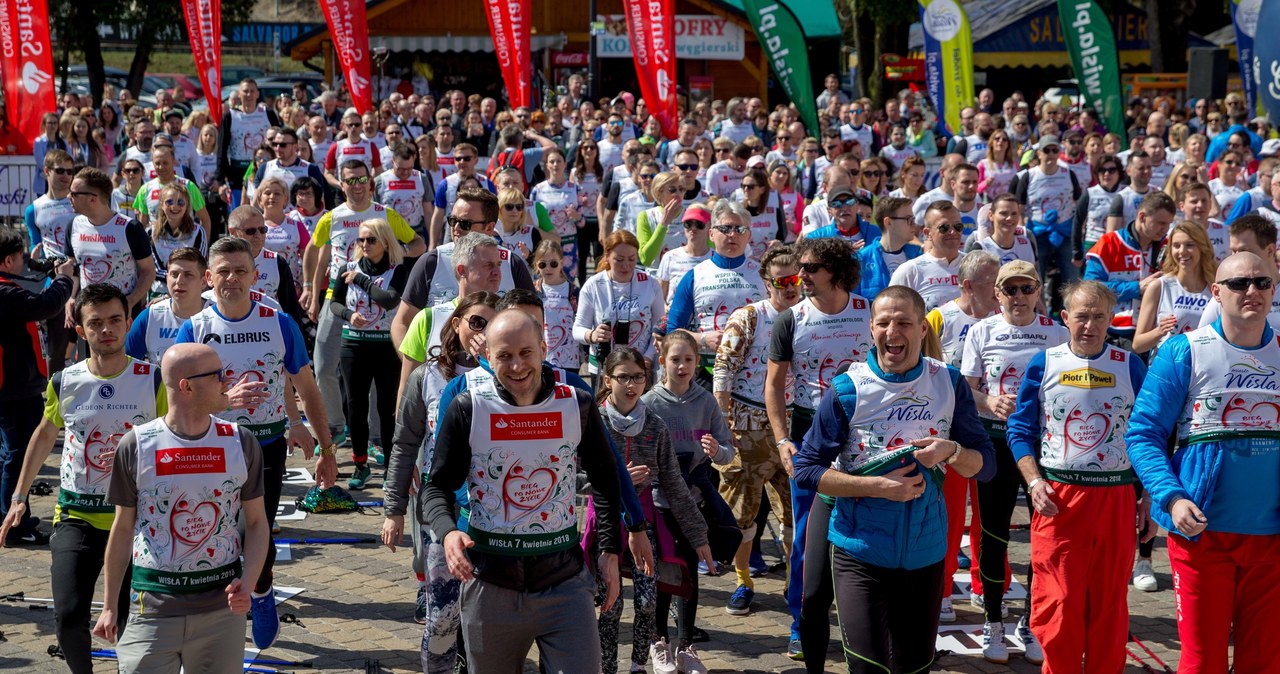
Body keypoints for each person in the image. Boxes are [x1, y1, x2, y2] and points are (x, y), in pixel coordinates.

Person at [791, 285, 995, 674]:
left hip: (926, 553)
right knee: (869, 669)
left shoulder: (949, 384)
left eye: (904, 322)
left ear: (922, 329)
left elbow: (984, 466)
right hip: (860, 551)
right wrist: (877, 487)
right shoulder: (848, 389)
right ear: (871, 328)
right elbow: (807, 470)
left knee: (913, 669)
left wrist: (950, 451)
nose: (892, 331)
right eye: (883, 322)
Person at [423, 309, 624, 673]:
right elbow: (436, 486)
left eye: (526, 353)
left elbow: (608, 480)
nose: (516, 366)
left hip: (564, 583)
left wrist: (610, 549)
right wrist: (448, 532)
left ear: (544, 348)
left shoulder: (575, 404)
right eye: (504, 356)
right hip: (491, 586)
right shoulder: (468, 407)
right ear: (487, 357)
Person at [173, 236, 335, 649]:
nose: (232, 279)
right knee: (213, 531)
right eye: (223, 272)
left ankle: (261, 590)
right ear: (209, 278)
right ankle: (218, 611)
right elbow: (179, 395)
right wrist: (226, 400)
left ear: (255, 275)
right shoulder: (193, 328)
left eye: (240, 271)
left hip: (263, 445)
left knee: (256, 529)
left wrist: (326, 448)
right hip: (210, 447)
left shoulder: (278, 323)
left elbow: (307, 385)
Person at [1127, 251, 1280, 674]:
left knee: (1265, 662)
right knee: (1202, 661)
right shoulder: (1183, 351)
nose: (1252, 291)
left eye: (1262, 283)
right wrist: (1171, 497)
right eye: (1238, 284)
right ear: (1216, 292)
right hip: (1202, 537)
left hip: (1272, 541)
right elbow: (1142, 434)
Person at [0, 284, 165, 673]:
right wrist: (19, 497)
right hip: (78, 516)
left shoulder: (152, 380)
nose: (106, 329)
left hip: (133, 521)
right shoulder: (65, 380)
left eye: (114, 321)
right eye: (96, 323)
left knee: (127, 621)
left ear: (127, 323)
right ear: (80, 328)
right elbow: (45, 433)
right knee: (70, 614)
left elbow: (171, 439)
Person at [90, 342, 270, 671]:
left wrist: (249, 582)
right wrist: (109, 606)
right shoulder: (137, 445)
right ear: (185, 386)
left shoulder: (240, 442)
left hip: (222, 614)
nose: (227, 381)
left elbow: (257, 523)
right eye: (217, 375)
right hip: (152, 612)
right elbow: (122, 528)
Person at [1006, 280, 1150, 672]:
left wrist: (1149, 497)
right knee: (1060, 601)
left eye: (1099, 317)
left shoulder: (1129, 364)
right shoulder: (1045, 362)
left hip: (1115, 497)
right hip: (1059, 499)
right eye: (1082, 316)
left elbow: (1148, 433)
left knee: (1108, 604)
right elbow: (1020, 431)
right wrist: (1034, 481)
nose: (1090, 325)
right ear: (1065, 318)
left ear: (1110, 321)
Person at [767, 236, 873, 661]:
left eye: (809, 268)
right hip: (810, 429)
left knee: (862, 529)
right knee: (807, 535)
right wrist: (781, 440)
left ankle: (859, 620)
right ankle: (802, 622)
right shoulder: (791, 318)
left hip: (864, 428)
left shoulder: (869, 311)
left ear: (835, 269)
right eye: (798, 269)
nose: (801, 277)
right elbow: (774, 386)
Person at [961, 260, 1067, 664]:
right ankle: (993, 622)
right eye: (1011, 290)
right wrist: (989, 401)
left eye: (1027, 289)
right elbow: (966, 388)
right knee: (994, 534)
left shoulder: (1058, 333)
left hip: (1045, 447)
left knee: (1046, 535)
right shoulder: (982, 331)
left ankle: (1031, 622)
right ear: (997, 294)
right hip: (996, 443)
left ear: (1039, 292)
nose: (1019, 297)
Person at [593, 345, 716, 674]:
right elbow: (572, 477)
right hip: (604, 521)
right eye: (623, 378)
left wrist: (698, 536)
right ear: (608, 380)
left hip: (645, 521)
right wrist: (616, 482)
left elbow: (675, 485)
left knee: (647, 601)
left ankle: (638, 665)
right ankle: (607, 667)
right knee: (610, 604)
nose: (631, 385)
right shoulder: (593, 421)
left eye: (638, 377)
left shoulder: (655, 426)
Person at [305, 159, 425, 442]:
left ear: (370, 182)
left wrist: (394, 253)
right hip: (339, 298)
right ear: (341, 183)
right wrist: (311, 291)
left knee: (374, 378)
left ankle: (372, 435)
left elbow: (419, 245)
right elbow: (315, 250)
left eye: (362, 180)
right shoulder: (331, 217)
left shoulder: (385, 214)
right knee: (322, 366)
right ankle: (337, 425)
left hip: (377, 301)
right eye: (350, 180)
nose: (356, 186)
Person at [639, 331, 735, 672]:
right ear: (662, 361)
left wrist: (717, 451)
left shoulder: (706, 401)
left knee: (690, 576)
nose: (682, 366)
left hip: (696, 502)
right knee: (666, 573)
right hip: (660, 501)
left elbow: (727, 449)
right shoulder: (650, 402)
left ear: (698, 362)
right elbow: (637, 451)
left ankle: (686, 646)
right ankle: (659, 643)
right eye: (675, 359)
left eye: (689, 360)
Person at [713, 245, 801, 616]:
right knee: (740, 513)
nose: (791, 286)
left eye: (797, 278)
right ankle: (743, 581)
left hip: (794, 423)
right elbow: (724, 369)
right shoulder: (750, 317)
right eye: (782, 281)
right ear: (767, 284)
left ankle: (794, 582)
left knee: (796, 510)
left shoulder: (809, 316)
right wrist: (723, 425)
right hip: (746, 424)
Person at [925, 250, 1001, 623]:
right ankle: (941, 592)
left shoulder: (1007, 320)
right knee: (951, 517)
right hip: (954, 432)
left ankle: (984, 585)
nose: (1001, 290)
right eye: (993, 283)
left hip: (995, 433)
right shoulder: (940, 317)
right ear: (969, 285)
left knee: (988, 516)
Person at [0, 228, 75, 544]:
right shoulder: (5, 293)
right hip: (14, 388)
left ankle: (9, 514)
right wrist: (65, 279)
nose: (22, 262)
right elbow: (45, 305)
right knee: (19, 454)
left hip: (14, 385)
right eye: (19, 257)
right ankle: (15, 524)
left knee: (10, 453)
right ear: (8, 259)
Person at [329, 218, 409, 489]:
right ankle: (360, 464)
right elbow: (334, 304)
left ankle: (389, 465)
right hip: (353, 345)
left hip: (386, 346)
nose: (364, 245)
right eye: (361, 240)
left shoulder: (397, 270)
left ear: (385, 242)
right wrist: (349, 315)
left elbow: (389, 301)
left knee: (387, 408)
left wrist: (361, 280)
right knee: (355, 404)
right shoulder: (347, 268)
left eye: (371, 240)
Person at [395, 187, 533, 340]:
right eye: (452, 221)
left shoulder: (511, 263)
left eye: (465, 224)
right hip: (439, 361)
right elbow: (402, 322)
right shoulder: (432, 261)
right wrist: (413, 362)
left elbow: (534, 321)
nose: (456, 228)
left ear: (489, 227)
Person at [666, 200, 768, 385]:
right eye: (726, 228)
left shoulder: (763, 275)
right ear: (711, 234)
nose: (732, 235)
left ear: (749, 235)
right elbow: (672, 332)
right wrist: (703, 339)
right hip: (707, 372)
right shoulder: (694, 276)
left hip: (756, 374)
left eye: (740, 229)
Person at [1085, 192, 1176, 344]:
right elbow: (1090, 289)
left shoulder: (1167, 246)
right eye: (1160, 223)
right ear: (1142, 217)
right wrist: (1136, 288)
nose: (1165, 229)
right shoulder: (1110, 242)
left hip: (1154, 332)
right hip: (1114, 331)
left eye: (1168, 224)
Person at [66, 168, 156, 317]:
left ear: (92, 199)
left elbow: (148, 271)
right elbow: (73, 268)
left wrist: (130, 301)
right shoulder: (73, 225)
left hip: (124, 314)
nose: (69, 196)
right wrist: (71, 297)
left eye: (74, 193)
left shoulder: (130, 228)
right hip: (90, 313)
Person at [574, 231, 665, 374]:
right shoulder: (593, 285)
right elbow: (577, 329)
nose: (626, 265)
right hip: (604, 368)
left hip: (640, 366)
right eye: (619, 259)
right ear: (607, 257)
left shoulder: (650, 284)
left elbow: (660, 327)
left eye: (631, 259)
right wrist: (592, 335)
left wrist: (648, 356)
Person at [1133, 221, 1216, 356]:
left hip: (1202, 370)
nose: (1182, 251)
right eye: (1176, 246)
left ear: (1202, 247)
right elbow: (1137, 345)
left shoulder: (1216, 289)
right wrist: (1159, 331)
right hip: (1166, 369)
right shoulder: (1159, 286)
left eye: (1189, 245)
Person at [127, 248, 208, 365]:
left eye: (188, 275)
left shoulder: (217, 314)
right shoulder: (150, 316)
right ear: (166, 278)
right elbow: (127, 364)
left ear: (203, 282)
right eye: (174, 274)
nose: (179, 281)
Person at [889, 201, 966, 312]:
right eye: (944, 228)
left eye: (958, 226)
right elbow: (892, 311)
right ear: (927, 233)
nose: (953, 232)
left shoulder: (974, 265)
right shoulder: (910, 270)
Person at [219, 79, 283, 209]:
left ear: (257, 94)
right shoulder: (230, 116)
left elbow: (280, 141)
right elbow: (222, 148)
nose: (248, 94)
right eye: (245, 91)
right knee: (239, 214)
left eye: (252, 91)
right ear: (239, 94)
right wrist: (220, 180)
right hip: (237, 174)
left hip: (265, 170)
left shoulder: (267, 113)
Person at [856, 196, 922, 301]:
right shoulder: (861, 259)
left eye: (913, 219)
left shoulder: (919, 256)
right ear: (888, 222)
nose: (914, 224)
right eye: (908, 219)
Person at [148, 184, 207, 295]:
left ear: (187, 205)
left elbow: (200, 265)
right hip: (159, 291)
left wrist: (180, 279)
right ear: (161, 204)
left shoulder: (198, 231)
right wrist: (171, 288)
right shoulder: (151, 232)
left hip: (189, 290)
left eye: (180, 202)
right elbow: (152, 267)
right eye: (169, 202)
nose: (175, 206)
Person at [531, 240, 580, 370]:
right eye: (543, 264)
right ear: (537, 266)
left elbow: (582, 322)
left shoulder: (573, 291)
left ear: (561, 263)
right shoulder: (533, 290)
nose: (548, 268)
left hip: (569, 358)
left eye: (553, 264)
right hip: (540, 357)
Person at [656, 203, 713, 308]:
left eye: (699, 224)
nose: (693, 228)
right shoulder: (670, 257)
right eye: (688, 223)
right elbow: (659, 297)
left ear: (709, 226)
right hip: (676, 318)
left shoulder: (717, 257)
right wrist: (666, 308)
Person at [1072, 154, 1124, 265]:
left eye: (1112, 170)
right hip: (1094, 244)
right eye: (1102, 170)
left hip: (1121, 245)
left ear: (1119, 172)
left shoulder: (1126, 192)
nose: (1106, 174)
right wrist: (1076, 251)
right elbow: (1077, 222)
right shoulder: (1090, 193)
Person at [375, 143, 433, 240]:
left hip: (415, 233)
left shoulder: (421, 178)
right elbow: (374, 212)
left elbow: (428, 212)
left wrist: (433, 240)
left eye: (409, 168)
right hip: (388, 236)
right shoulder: (380, 181)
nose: (405, 172)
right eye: (401, 169)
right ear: (392, 162)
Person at [965, 194, 1038, 265]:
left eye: (1014, 213)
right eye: (1004, 213)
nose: (1009, 218)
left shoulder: (1027, 244)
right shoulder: (980, 248)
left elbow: (1037, 275)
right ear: (991, 215)